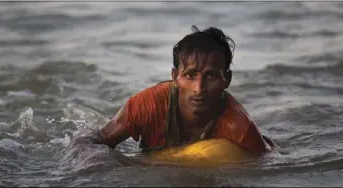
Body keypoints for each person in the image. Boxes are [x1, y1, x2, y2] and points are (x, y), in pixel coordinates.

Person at [87, 25, 276, 156]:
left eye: (211, 76)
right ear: (175, 77)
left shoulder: (241, 129)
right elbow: (92, 142)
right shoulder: (148, 104)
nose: (199, 89)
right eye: (190, 75)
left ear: (227, 80)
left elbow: (265, 165)